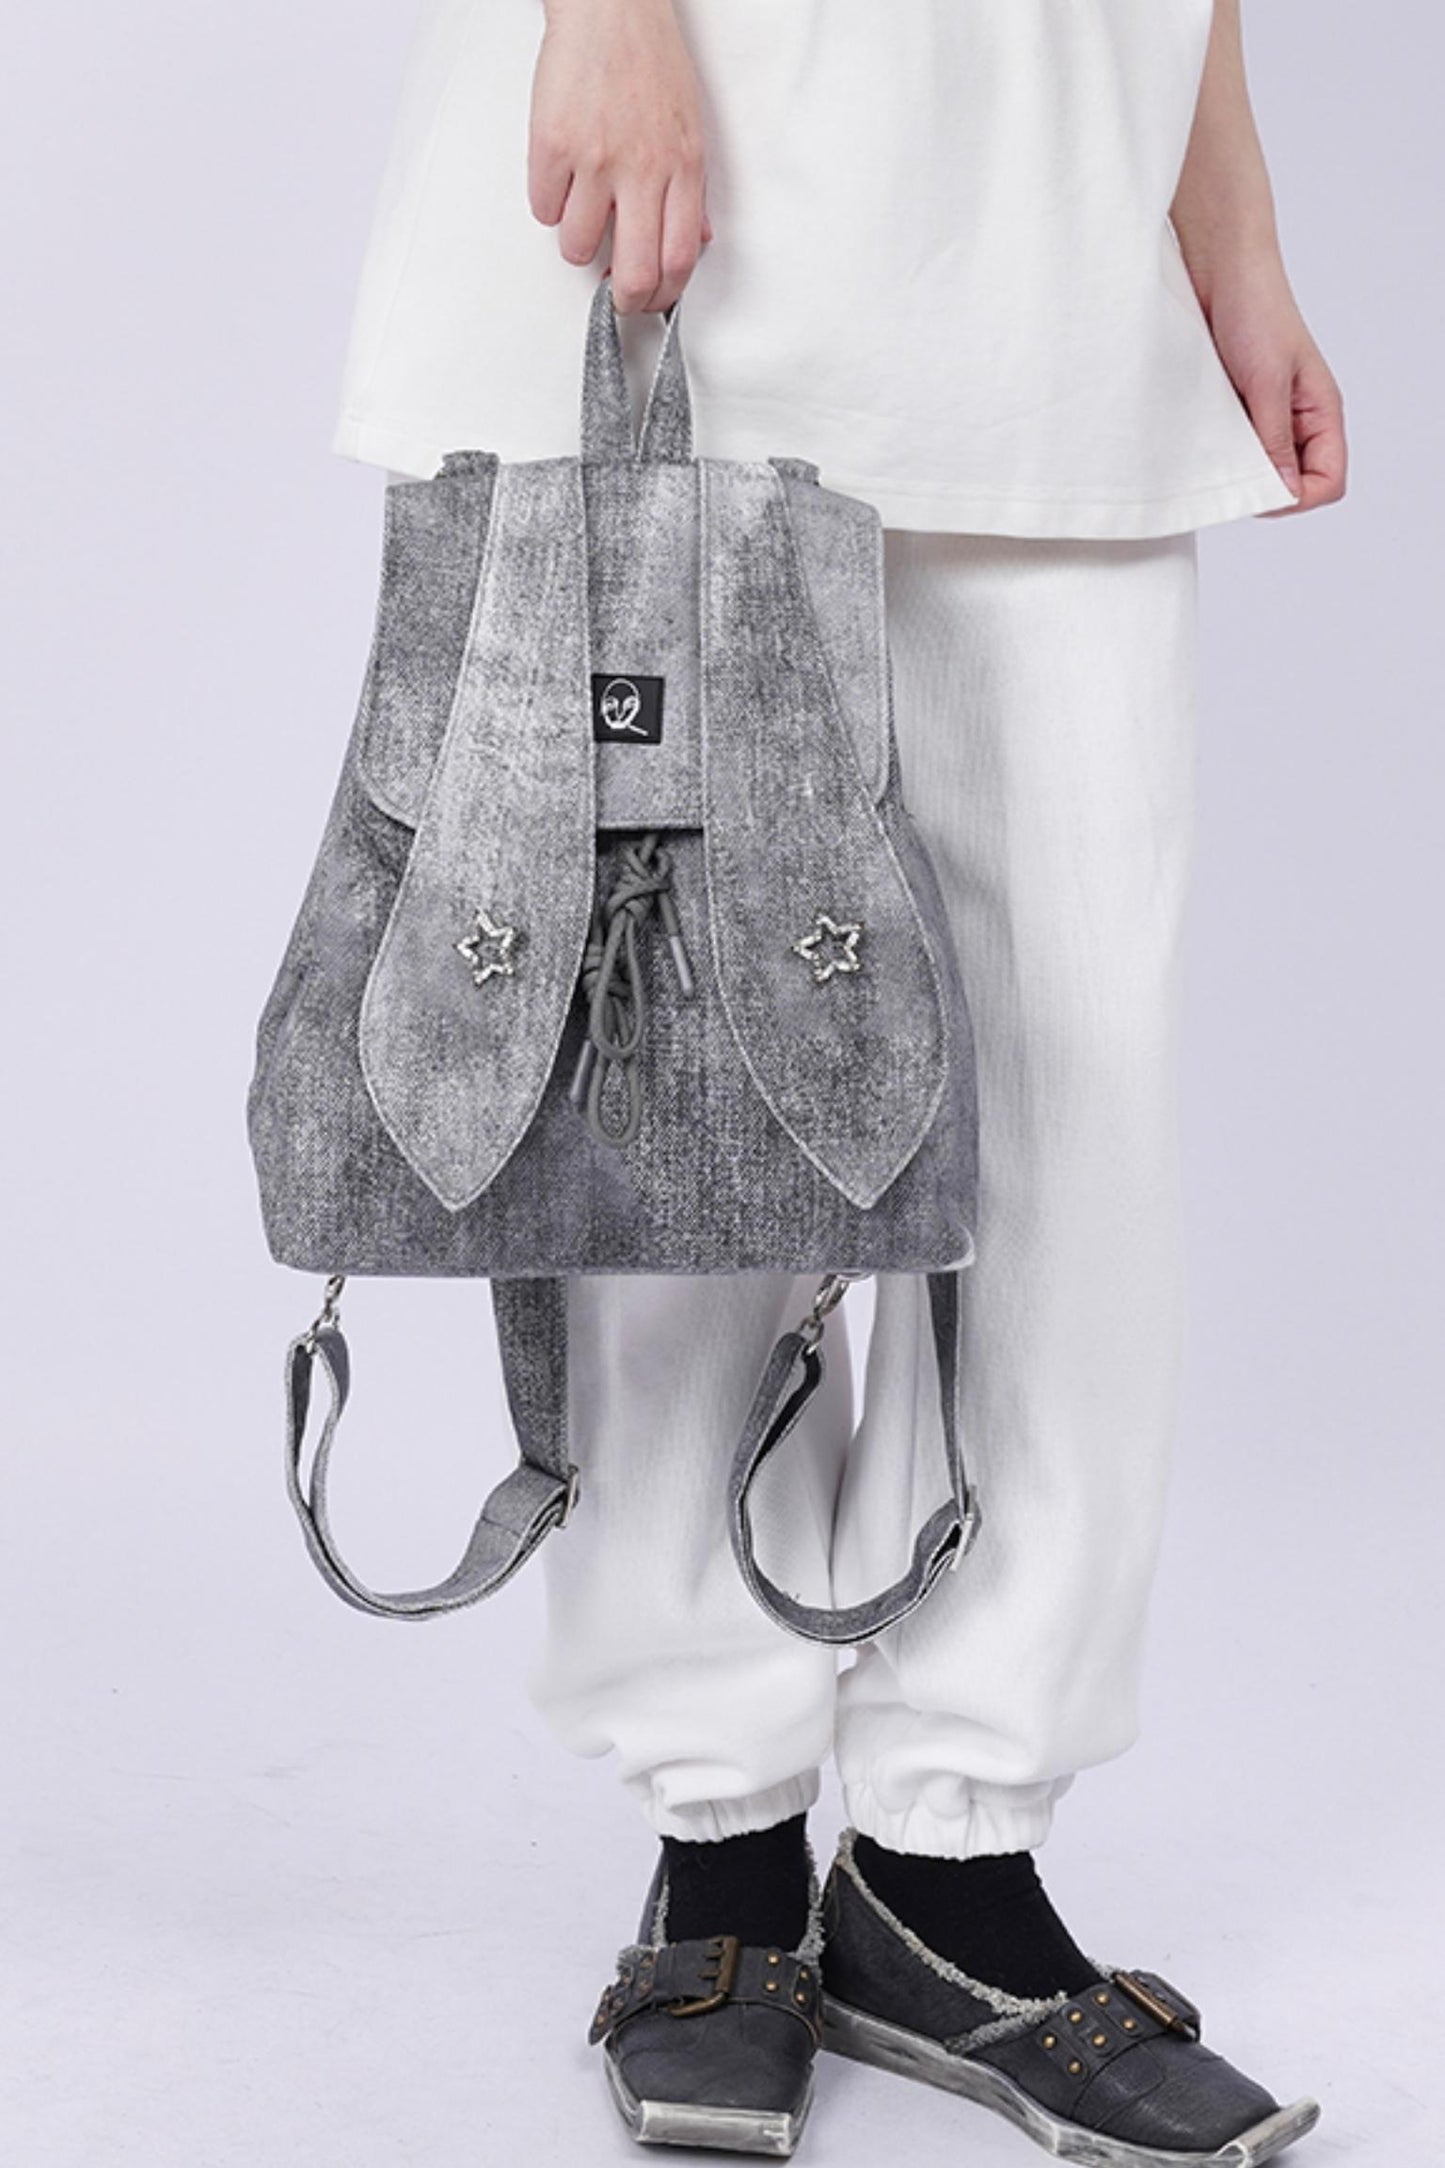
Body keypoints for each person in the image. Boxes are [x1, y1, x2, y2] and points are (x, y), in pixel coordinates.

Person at [331, 1, 1346, 2157]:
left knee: (1072, 1108)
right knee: (676, 1088)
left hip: (1055, 249)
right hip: (703, 183)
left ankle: (949, 1869)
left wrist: (1229, 225)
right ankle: (718, 1844)